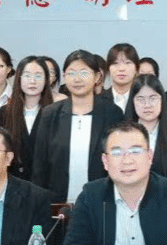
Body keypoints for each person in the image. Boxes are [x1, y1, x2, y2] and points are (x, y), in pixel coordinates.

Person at [32, 50, 124, 203]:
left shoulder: (112, 113)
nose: (77, 79)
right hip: (57, 202)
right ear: (65, 76)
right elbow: (39, 166)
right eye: (71, 73)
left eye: (84, 73)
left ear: (97, 77)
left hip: (101, 201)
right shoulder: (50, 114)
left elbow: (118, 161)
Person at [0, 56, 54, 181]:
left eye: (38, 76)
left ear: (46, 80)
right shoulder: (5, 112)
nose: (32, 81)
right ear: (19, 79)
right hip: (15, 180)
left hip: (46, 181)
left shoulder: (55, 112)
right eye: (27, 75)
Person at [126, 74, 167, 186]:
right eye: (140, 99)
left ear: (162, 100)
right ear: (132, 101)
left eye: (153, 98)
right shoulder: (121, 135)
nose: (147, 105)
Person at [100, 43, 139, 115]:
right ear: (108, 68)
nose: (121, 69)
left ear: (136, 69)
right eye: (115, 63)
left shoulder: (143, 100)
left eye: (127, 63)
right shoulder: (98, 101)